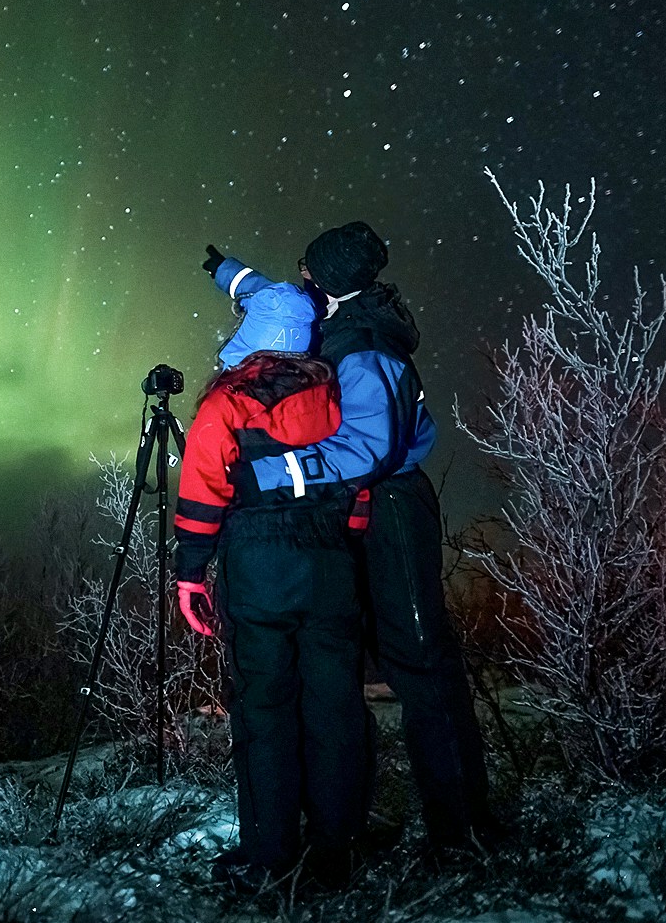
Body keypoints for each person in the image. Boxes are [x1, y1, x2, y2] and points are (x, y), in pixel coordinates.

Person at [242, 221, 500, 859]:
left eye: (308, 270)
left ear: (328, 280)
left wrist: (273, 472)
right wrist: (229, 272)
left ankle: (464, 832)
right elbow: (269, 296)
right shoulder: (343, 325)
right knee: (349, 662)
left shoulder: (365, 348)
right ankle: (348, 822)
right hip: (355, 510)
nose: (300, 278)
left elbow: (371, 448)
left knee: (420, 661)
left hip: (391, 509)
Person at [173, 261, 368, 890]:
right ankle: (336, 850)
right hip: (331, 567)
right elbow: (358, 478)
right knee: (335, 707)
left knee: (264, 709)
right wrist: (344, 545)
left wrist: (189, 573)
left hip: (258, 571)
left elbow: (202, 492)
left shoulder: (226, 403)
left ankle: (269, 854)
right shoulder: (337, 394)